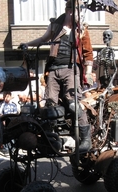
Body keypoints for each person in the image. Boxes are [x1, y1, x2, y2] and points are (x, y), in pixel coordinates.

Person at [20, 0, 94, 154]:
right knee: (50, 103)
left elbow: (88, 53)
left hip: (71, 69)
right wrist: (27, 44)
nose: (74, 12)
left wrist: (87, 71)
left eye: (77, 10)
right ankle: (50, 138)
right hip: (54, 68)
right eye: (72, 9)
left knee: (73, 102)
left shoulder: (82, 29)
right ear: (67, 10)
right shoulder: (55, 25)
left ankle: (86, 139)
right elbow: (43, 39)